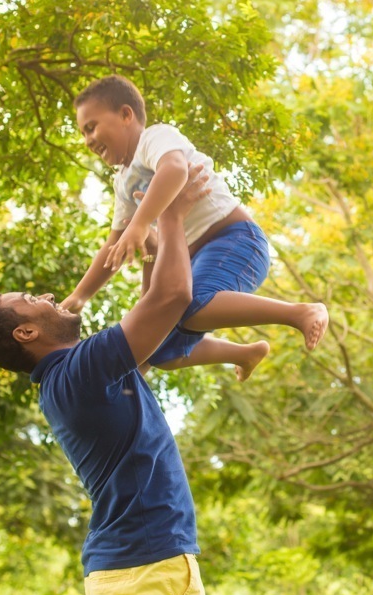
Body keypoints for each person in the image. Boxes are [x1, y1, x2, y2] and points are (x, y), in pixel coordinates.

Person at [0, 168, 213, 595]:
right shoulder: (79, 372)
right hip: (147, 570)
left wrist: (150, 250)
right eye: (30, 297)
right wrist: (172, 214)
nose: (46, 294)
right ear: (27, 332)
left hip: (131, 568)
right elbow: (174, 295)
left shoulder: (70, 379)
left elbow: (152, 334)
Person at [61, 75, 327, 380]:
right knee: (161, 350)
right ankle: (244, 352)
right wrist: (80, 296)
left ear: (125, 115)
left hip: (235, 239)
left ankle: (301, 312)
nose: (87, 140)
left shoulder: (155, 138)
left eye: (91, 127)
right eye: (82, 133)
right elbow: (115, 245)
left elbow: (174, 170)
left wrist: (141, 222)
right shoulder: (122, 181)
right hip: (197, 261)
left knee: (194, 306)